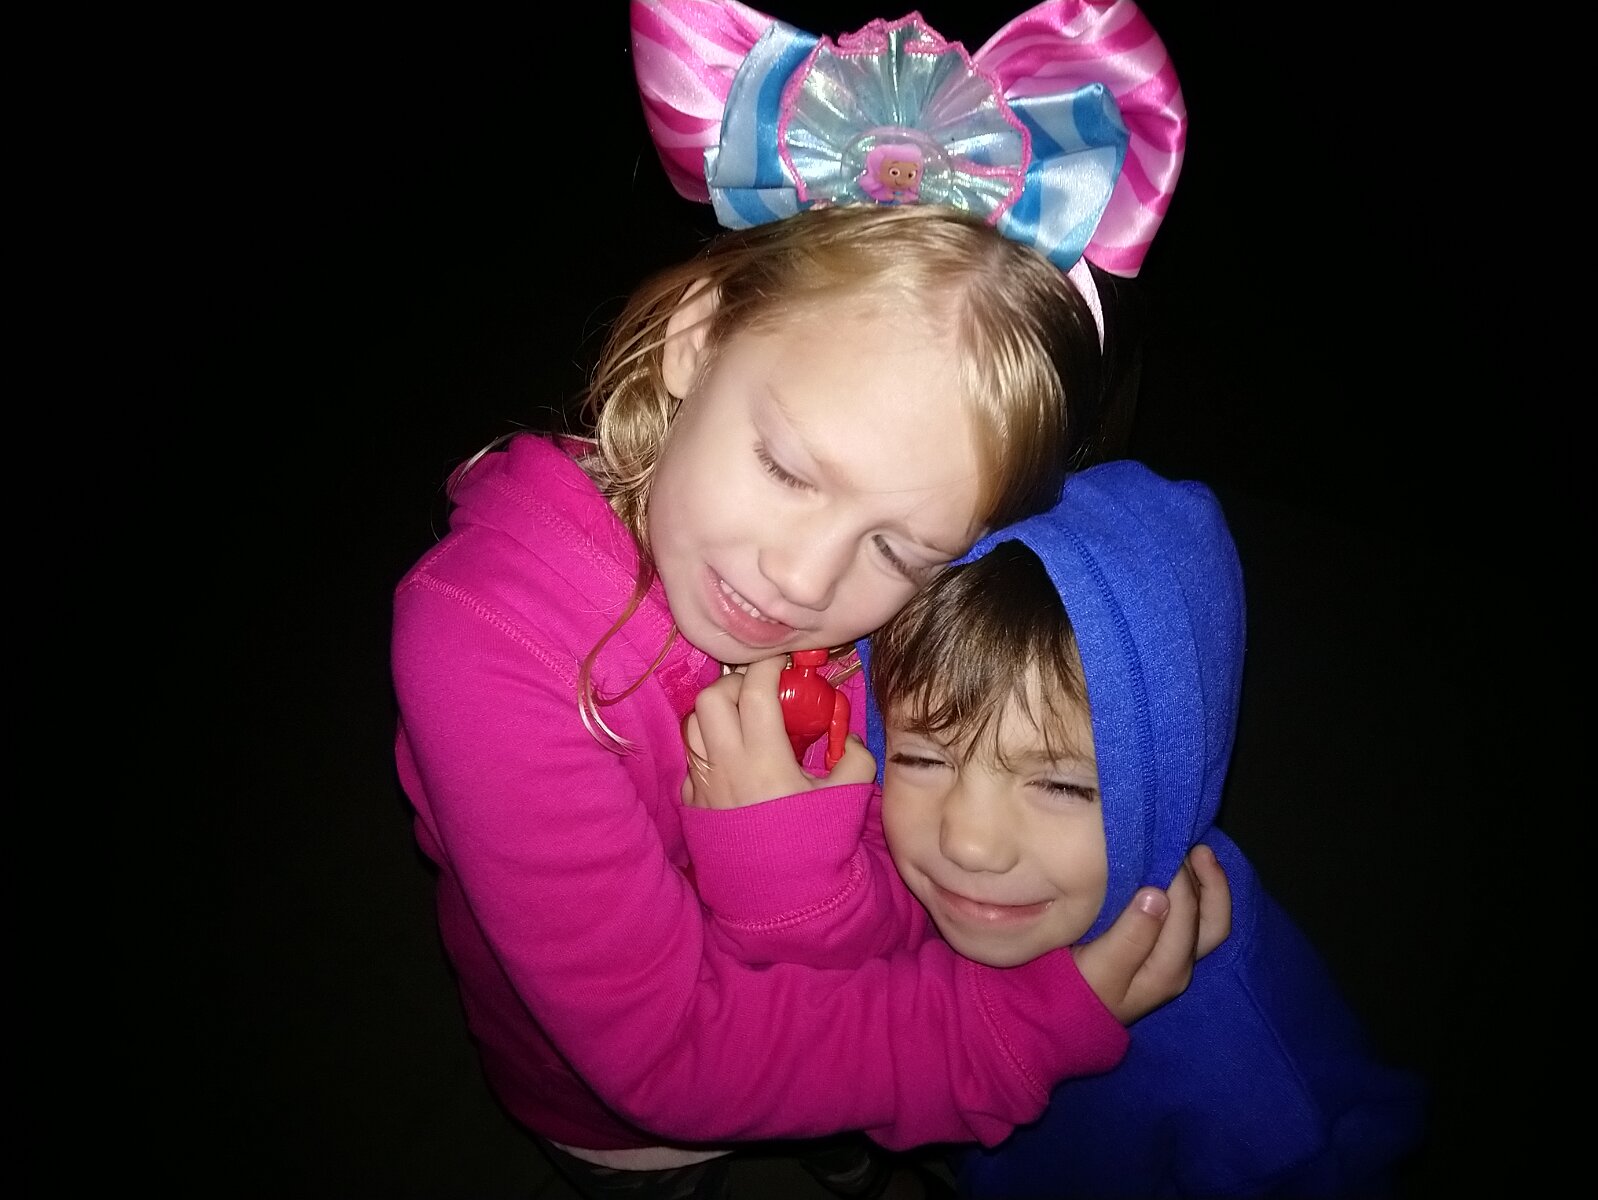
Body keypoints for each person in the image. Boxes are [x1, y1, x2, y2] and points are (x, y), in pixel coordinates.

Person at [391, 2, 1229, 1197]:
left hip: (846, 1012)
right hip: (629, 1128)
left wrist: (796, 873)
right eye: (788, 470)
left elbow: (897, 887)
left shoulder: (871, 575)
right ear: (695, 339)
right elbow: (666, 1057)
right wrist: (1019, 1030)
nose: (802, 584)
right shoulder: (486, 645)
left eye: (895, 547)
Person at [682, 461, 1428, 1197]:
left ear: (1176, 774)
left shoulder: (1259, 1099)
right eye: (922, 758)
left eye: (1063, 784)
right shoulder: (977, 883)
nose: (968, 843)